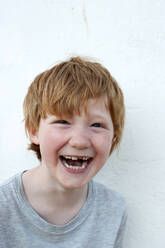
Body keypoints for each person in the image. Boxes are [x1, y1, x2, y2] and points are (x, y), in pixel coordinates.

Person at [0, 56, 127, 247]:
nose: (79, 141)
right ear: (34, 130)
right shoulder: (4, 208)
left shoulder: (114, 209)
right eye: (62, 122)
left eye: (97, 125)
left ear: (113, 138)